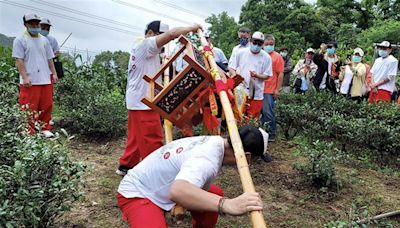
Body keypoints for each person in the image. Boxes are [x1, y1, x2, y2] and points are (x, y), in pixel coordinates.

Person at [117, 125, 269, 228]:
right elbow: (178, 191)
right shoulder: (206, 160)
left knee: (215, 194)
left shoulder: (215, 142)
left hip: (158, 183)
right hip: (138, 192)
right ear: (247, 158)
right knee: (217, 199)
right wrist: (227, 205)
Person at [117, 21, 203, 176]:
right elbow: (171, 35)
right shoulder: (146, 44)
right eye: (160, 35)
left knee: (136, 138)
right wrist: (192, 27)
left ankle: (126, 165)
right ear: (150, 33)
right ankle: (156, 173)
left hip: (137, 99)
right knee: (153, 138)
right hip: (143, 102)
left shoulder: (145, 48)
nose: (165, 41)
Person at [12, 13, 58, 138]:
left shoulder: (44, 41)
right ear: (25, 25)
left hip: (45, 78)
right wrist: (25, 76)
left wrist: (54, 73)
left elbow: (50, 59)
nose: (35, 25)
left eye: (36, 23)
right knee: (29, 106)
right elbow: (19, 60)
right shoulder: (20, 40)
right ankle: (29, 130)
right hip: (30, 79)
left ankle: (45, 127)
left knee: (46, 104)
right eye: (31, 23)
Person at [229, 32, 272, 120]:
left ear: (262, 44)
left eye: (259, 43)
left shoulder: (266, 57)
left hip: (257, 93)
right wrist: (235, 75)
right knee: (238, 116)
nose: (256, 45)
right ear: (251, 41)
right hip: (241, 90)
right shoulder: (240, 52)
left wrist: (258, 75)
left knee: (252, 118)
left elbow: (267, 75)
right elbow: (231, 67)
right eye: (255, 42)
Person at [261, 34, 284, 142]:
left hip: (269, 90)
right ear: (263, 44)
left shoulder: (277, 57)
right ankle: (262, 132)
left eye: (271, 44)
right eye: (267, 44)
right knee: (260, 113)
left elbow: (280, 74)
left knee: (268, 112)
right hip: (258, 89)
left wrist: (277, 89)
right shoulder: (259, 55)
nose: (269, 46)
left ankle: (271, 133)